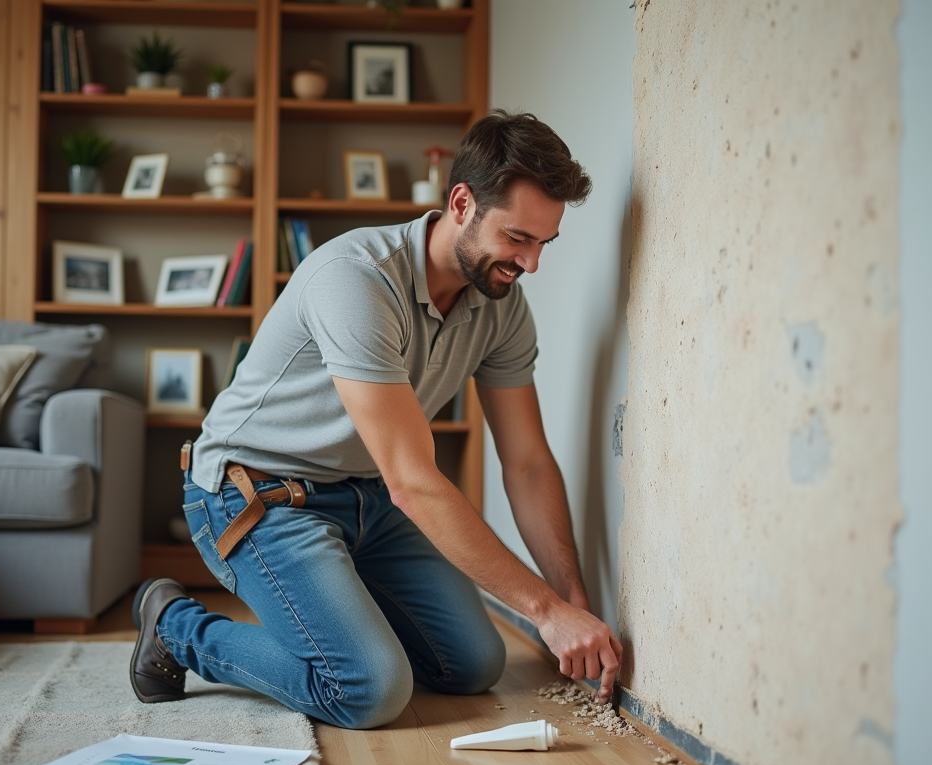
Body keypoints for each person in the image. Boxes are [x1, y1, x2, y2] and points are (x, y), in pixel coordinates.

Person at [130, 109, 623, 729]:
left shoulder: (502, 305)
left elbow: (525, 463)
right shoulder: (356, 280)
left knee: (472, 665)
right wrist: (546, 614)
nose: (530, 265)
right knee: (369, 689)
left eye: (543, 243)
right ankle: (177, 626)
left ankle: (341, 620)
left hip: (367, 498)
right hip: (255, 495)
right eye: (517, 238)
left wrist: (571, 597)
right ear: (463, 203)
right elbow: (414, 482)